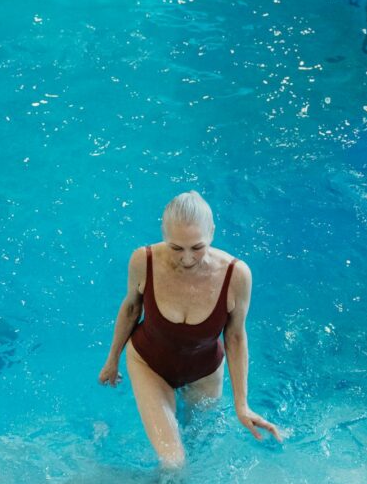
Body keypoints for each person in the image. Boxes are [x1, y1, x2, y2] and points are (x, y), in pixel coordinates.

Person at [98, 190, 281, 467]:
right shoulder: (143, 261)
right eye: (175, 248)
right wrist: (112, 360)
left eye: (197, 247)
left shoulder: (236, 275)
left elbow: (235, 336)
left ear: (213, 233)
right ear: (163, 233)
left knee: (199, 452)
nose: (186, 258)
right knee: (173, 462)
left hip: (204, 371)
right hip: (150, 363)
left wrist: (241, 404)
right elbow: (131, 308)